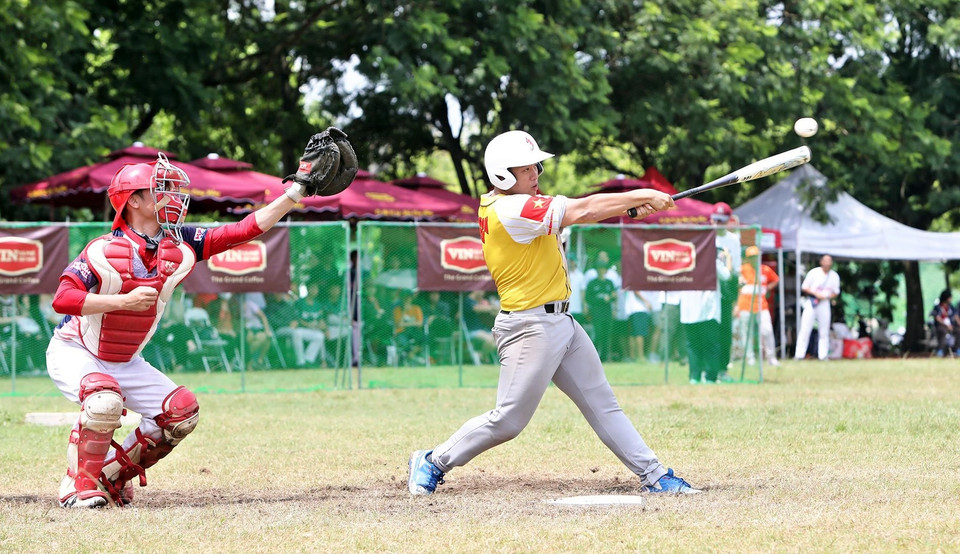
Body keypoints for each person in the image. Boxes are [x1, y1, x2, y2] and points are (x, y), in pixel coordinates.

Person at [407, 130, 700, 496]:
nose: (537, 173)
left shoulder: (520, 203)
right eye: (527, 168)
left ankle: (655, 475)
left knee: (603, 404)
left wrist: (627, 208)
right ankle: (433, 460)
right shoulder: (510, 209)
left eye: (536, 166)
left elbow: (576, 215)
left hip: (561, 322)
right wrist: (644, 194)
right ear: (502, 175)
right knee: (509, 420)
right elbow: (584, 209)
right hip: (530, 327)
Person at [46, 152, 317, 508]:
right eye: (160, 188)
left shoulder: (180, 242)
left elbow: (246, 228)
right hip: (75, 351)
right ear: (133, 201)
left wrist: (296, 191)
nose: (172, 195)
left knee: (182, 412)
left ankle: (111, 475)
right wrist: (122, 303)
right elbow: (63, 299)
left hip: (124, 359)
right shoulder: (103, 249)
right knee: (104, 399)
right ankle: (76, 486)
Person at [736, 246, 780, 366]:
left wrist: (767, 289)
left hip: (761, 306)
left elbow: (776, 279)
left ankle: (771, 357)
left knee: (767, 330)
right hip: (745, 305)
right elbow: (737, 283)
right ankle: (749, 357)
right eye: (752, 257)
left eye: (756, 256)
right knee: (746, 332)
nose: (754, 259)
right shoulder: (742, 269)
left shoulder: (765, 269)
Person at [794, 254, 841, 360]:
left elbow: (836, 292)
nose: (827, 263)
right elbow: (805, 287)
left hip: (824, 303)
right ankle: (799, 354)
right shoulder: (814, 272)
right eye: (826, 260)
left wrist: (826, 296)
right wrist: (816, 294)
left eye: (829, 261)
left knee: (824, 331)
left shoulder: (834, 276)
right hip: (812, 302)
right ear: (821, 262)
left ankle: (823, 355)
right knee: (805, 329)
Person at [585, 263, 617, 361]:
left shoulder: (609, 283)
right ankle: (594, 357)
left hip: (607, 312)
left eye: (603, 269)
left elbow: (614, 296)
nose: (601, 271)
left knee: (606, 335)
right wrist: (602, 300)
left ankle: (605, 357)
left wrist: (611, 298)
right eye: (600, 268)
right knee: (597, 334)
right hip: (597, 313)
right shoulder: (592, 283)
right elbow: (588, 298)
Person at [931, 289, 960, 357]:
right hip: (941, 326)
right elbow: (937, 318)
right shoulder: (938, 307)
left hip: (951, 325)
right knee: (943, 331)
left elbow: (955, 315)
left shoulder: (951, 307)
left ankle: (957, 349)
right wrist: (947, 325)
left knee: (958, 331)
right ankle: (940, 350)